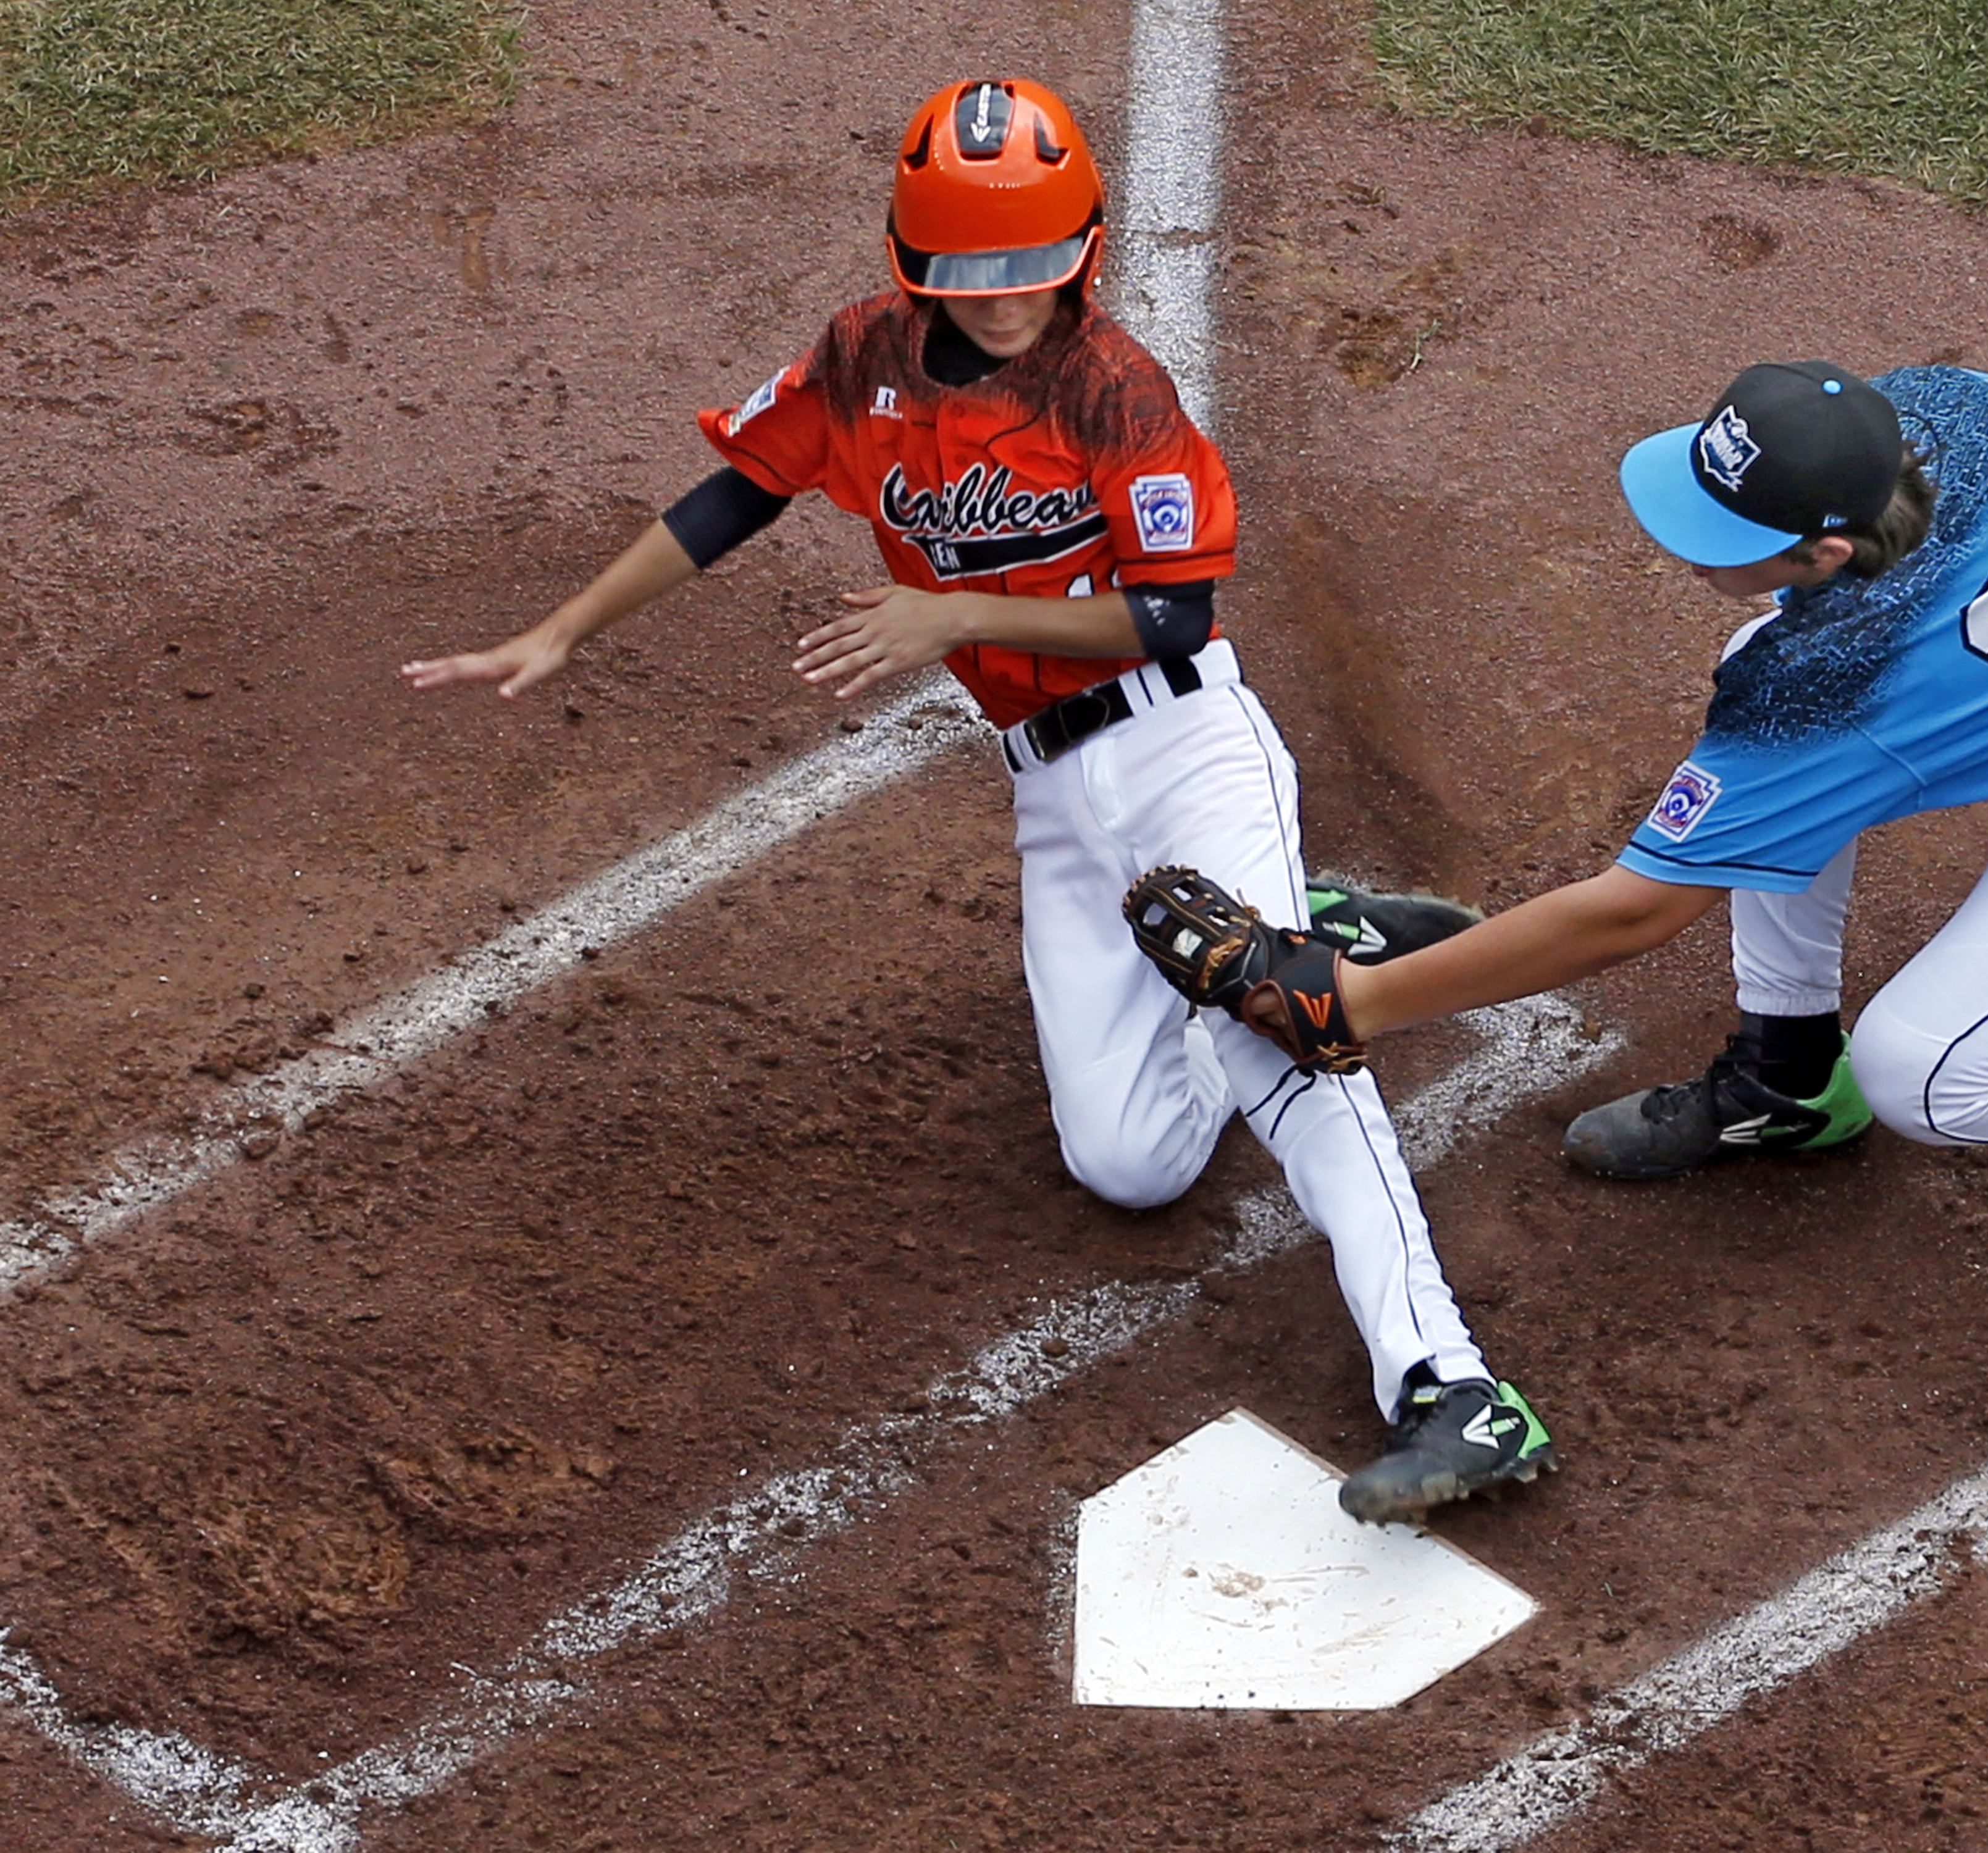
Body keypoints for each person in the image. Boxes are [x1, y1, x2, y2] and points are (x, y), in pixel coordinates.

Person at [401, 77, 1552, 1521]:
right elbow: (736, 494)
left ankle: (1449, 1384)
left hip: (1186, 742)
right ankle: (1304, 916)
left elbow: (1178, 615)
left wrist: (951, 618)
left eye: (1035, 266)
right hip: (1054, 791)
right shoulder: (863, 357)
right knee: (1127, 1164)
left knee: (1278, 1030)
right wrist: (565, 628)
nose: (1007, 298)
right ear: (912, 260)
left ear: (1080, 250)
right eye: (972, 270)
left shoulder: (1115, 390)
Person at [1144, 361, 1988, 1219]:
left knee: (1930, 1078)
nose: (1684, 545)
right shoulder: (1948, 412)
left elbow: (1632, 912)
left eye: (1724, 532)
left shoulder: (1847, 674)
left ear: (1828, 548)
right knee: (1767, 691)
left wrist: (1351, 1001)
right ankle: (1789, 1078)